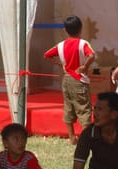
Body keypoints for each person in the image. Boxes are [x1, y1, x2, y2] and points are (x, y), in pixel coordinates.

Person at [44, 15, 95, 145]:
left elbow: (47, 55)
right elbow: (92, 55)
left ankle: (72, 137)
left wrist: (61, 64)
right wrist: (85, 66)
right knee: (84, 109)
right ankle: (86, 139)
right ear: (81, 28)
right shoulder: (83, 43)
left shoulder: (61, 45)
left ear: (65, 30)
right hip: (79, 79)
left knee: (69, 107)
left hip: (66, 79)